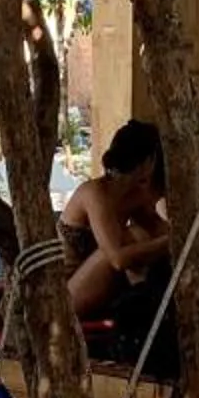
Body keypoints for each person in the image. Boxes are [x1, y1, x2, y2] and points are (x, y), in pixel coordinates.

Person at [62, 120, 171, 317]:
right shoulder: (94, 193)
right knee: (131, 239)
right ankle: (147, 308)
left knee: (140, 235)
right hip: (65, 295)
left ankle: (150, 312)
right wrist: (169, 242)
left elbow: (160, 229)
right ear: (149, 162)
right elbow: (117, 259)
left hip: (103, 288)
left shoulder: (135, 194)